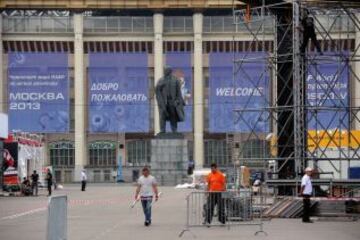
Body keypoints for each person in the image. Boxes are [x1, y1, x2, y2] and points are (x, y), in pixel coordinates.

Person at [155, 66, 185, 133]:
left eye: (166, 70)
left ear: (169, 71)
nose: (164, 71)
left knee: (173, 116)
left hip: (172, 101)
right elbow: (157, 90)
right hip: (164, 102)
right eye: (164, 70)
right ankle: (162, 130)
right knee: (162, 115)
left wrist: (178, 101)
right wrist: (159, 86)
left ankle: (174, 130)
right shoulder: (161, 80)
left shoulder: (175, 80)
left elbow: (179, 92)